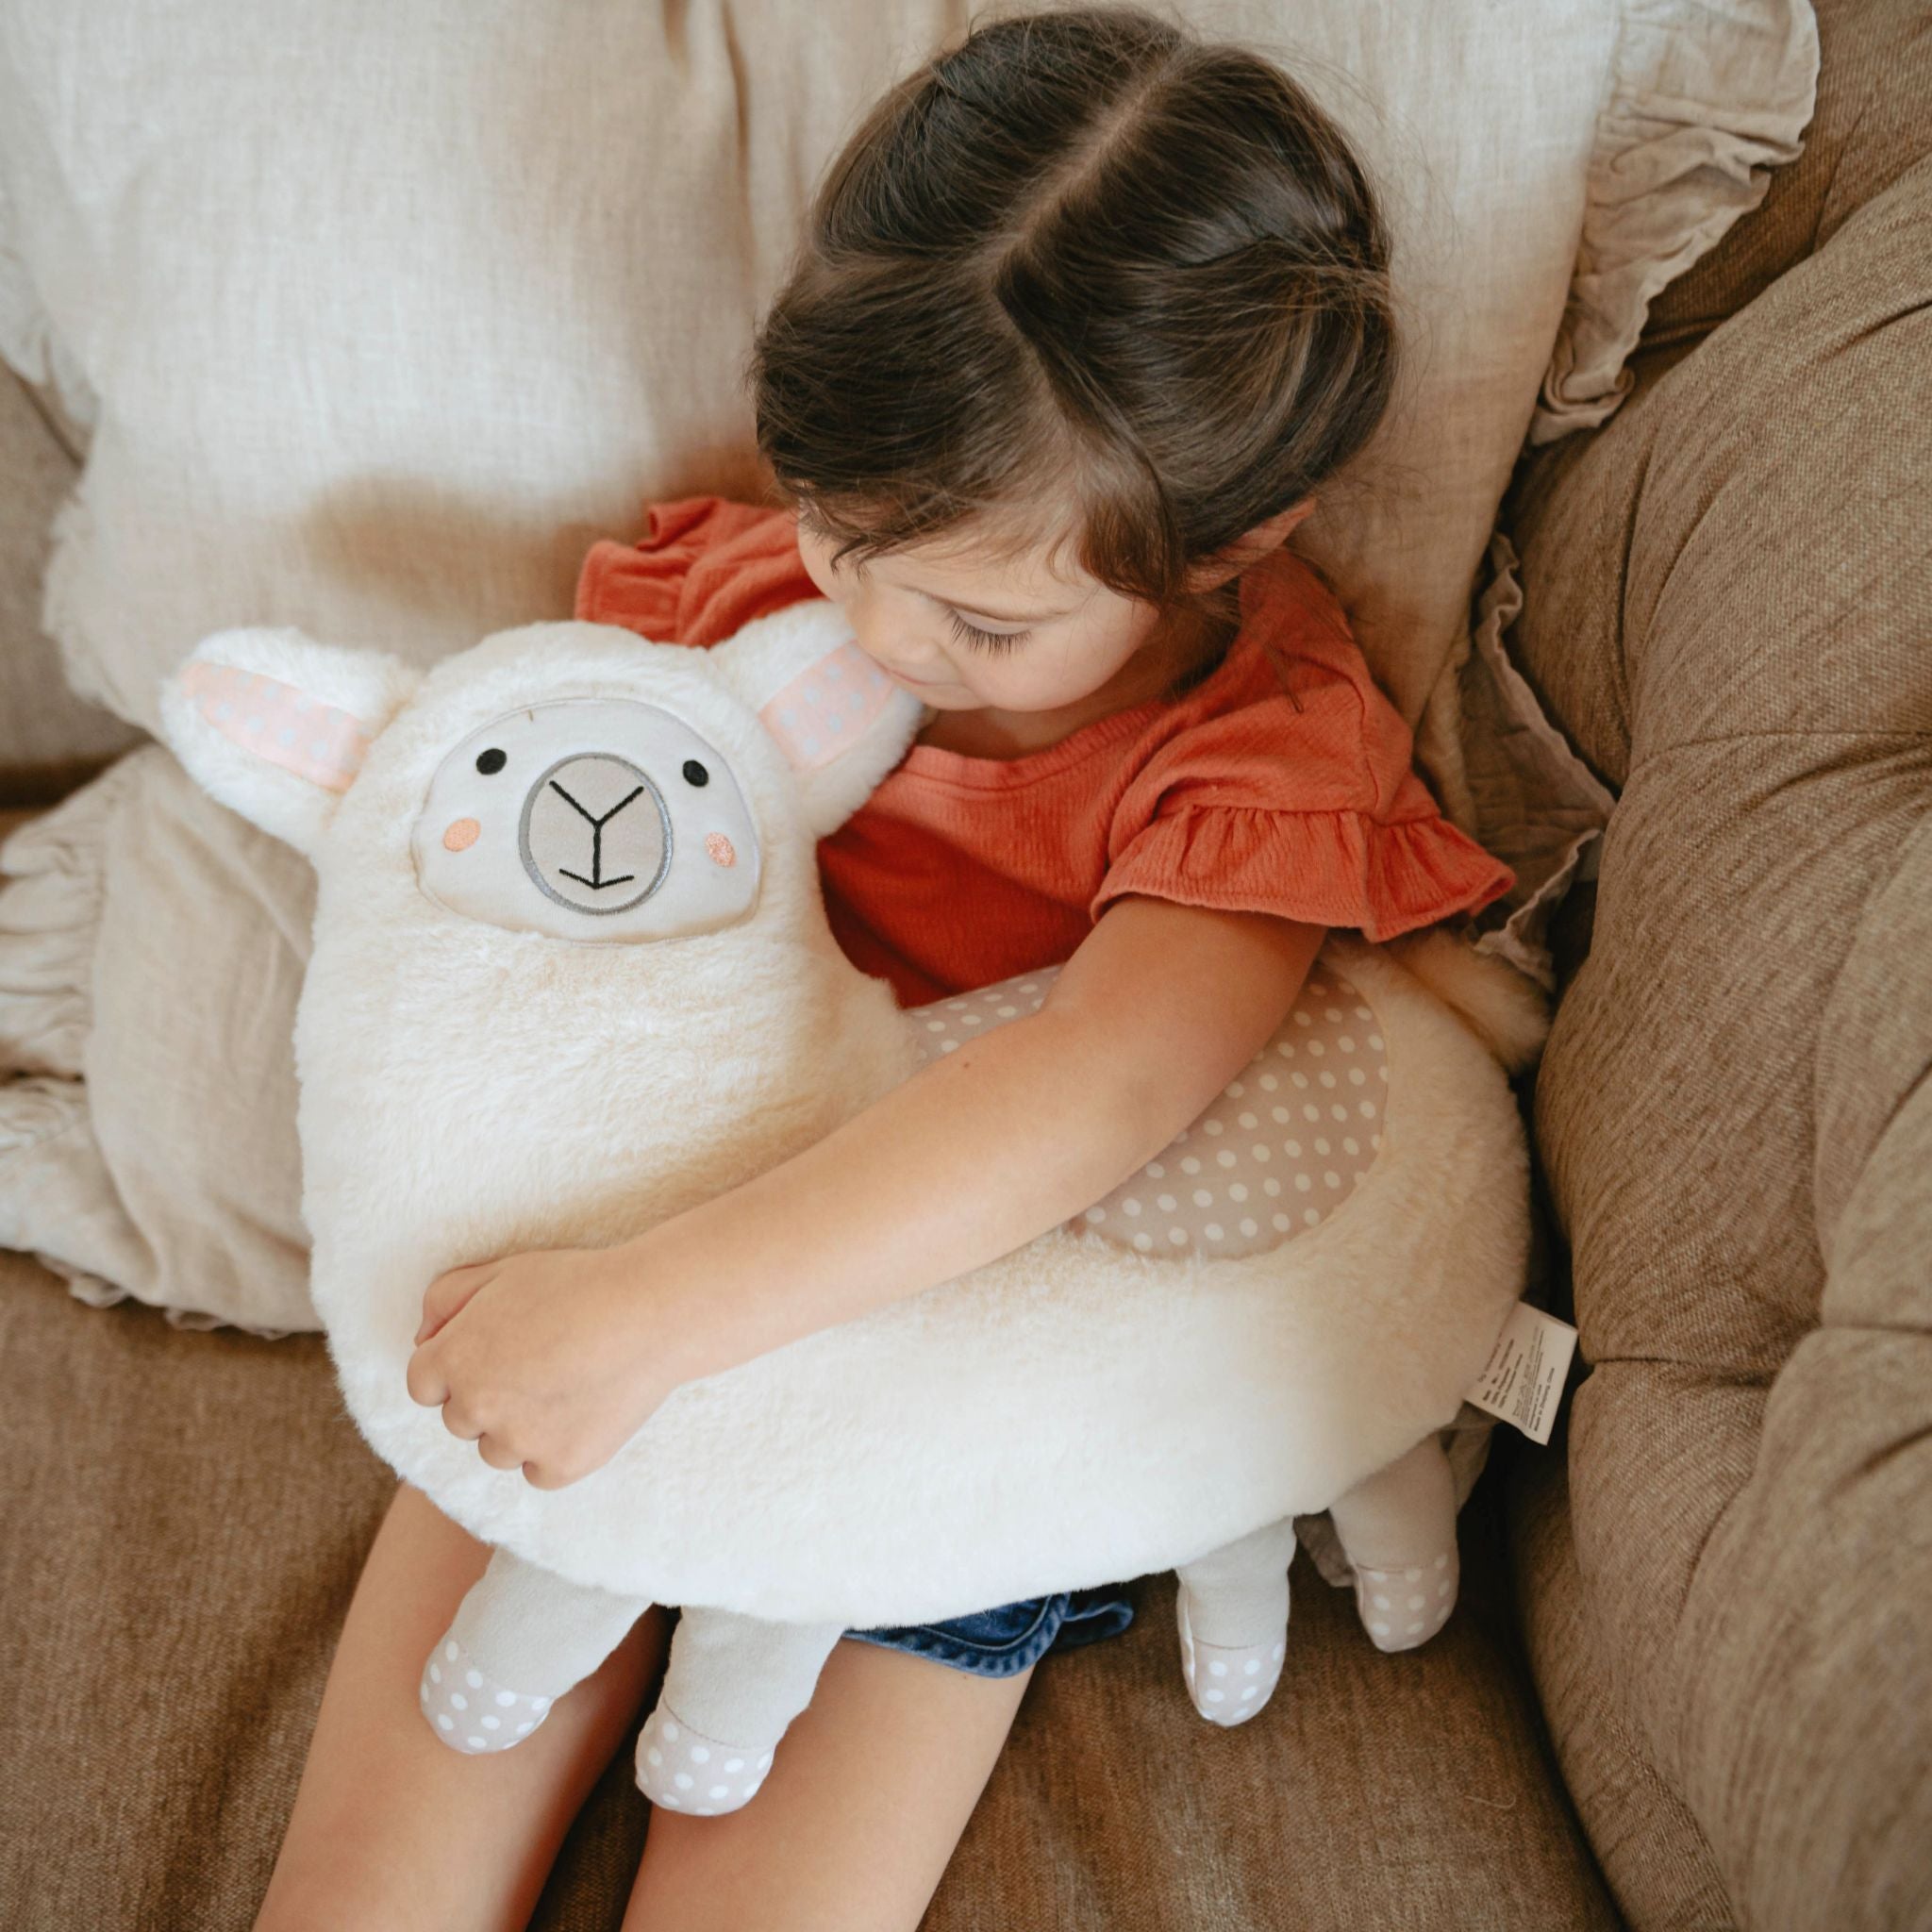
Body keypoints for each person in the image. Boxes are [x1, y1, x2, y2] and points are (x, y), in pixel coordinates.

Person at [255, 9, 1512, 1928]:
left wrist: (655, 1313)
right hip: (624, 1236)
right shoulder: (759, 601)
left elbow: (1096, 1091)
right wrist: (589, 1291)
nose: (870, 622)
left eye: (982, 616)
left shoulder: (1254, 758)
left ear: (1228, 543)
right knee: (365, 1896)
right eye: (837, 528)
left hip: (948, 1370)